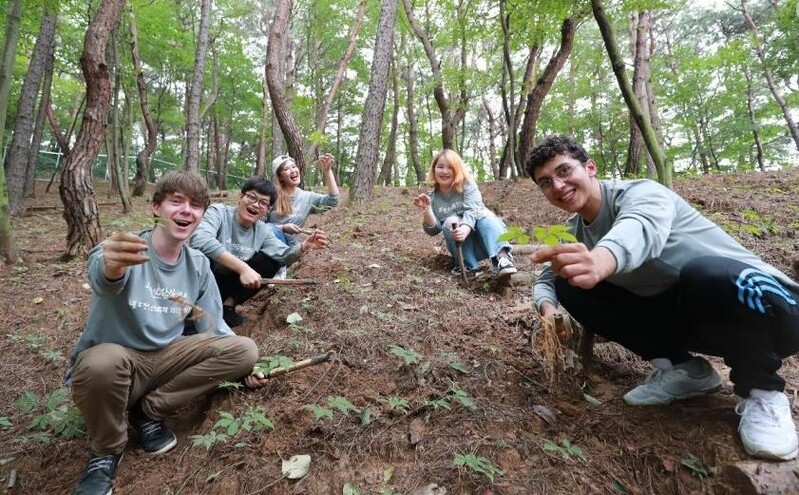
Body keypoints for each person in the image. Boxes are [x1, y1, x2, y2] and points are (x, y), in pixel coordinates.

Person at [526, 134, 799, 461]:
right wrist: (548, 309)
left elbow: (640, 228)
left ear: (590, 167)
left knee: (705, 272)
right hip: (706, 321)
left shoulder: (642, 193)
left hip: (770, 309)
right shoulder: (573, 231)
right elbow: (547, 279)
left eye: (564, 171)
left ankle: (763, 391)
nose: (557, 185)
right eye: (545, 182)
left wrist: (600, 260)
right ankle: (684, 370)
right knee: (569, 284)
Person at [67, 171, 270, 495]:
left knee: (244, 349)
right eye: (176, 201)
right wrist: (112, 266)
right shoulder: (124, 248)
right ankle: (106, 452)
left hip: (165, 359)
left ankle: (149, 411)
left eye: (195, 205)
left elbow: (212, 326)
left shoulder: (199, 266)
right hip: (118, 361)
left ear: (202, 216)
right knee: (100, 363)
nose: (186, 210)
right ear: (156, 208)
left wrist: (248, 368)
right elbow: (104, 279)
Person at [190, 175, 329, 327]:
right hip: (203, 280)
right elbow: (199, 239)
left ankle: (227, 306)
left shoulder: (262, 230)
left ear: (268, 210)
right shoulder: (219, 212)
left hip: (229, 283)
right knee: (201, 257)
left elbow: (284, 255)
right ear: (240, 197)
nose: (256, 205)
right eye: (251, 197)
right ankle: (197, 309)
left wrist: (305, 246)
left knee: (271, 261)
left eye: (263, 203)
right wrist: (243, 268)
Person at [413, 149, 516, 277]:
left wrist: (465, 228)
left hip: (488, 239)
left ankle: (502, 259)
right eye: (440, 167)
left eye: (450, 167)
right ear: (434, 170)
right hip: (464, 248)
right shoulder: (433, 197)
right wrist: (427, 209)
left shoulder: (467, 186)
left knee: (484, 214)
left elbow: (473, 210)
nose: (444, 171)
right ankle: (469, 267)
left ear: (457, 170)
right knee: (450, 221)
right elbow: (434, 230)